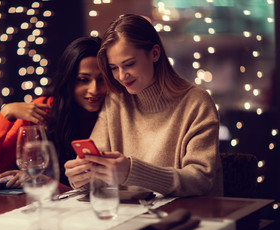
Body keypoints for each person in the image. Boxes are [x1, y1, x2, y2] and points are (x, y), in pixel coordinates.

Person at [65, 14, 223, 197]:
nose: (122, 76)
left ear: (155, 53)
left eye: (129, 64)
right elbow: (99, 172)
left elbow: (201, 180)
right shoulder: (116, 101)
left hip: (187, 217)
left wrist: (132, 171)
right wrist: (83, 177)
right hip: (130, 216)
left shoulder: (197, 103)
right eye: (114, 68)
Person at [0, 36, 106, 188]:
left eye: (102, 79)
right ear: (68, 80)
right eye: (83, 79)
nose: (94, 90)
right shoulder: (43, 109)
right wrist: (5, 114)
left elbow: (103, 187)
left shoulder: (119, 112)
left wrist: (43, 182)